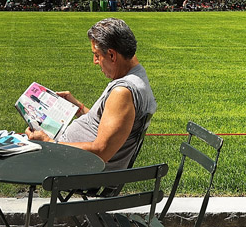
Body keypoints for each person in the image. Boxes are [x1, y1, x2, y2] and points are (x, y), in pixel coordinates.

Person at [25, 18, 156, 170]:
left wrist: (47, 142)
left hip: (76, 167)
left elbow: (101, 152)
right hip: (71, 157)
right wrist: (78, 107)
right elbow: (108, 127)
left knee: (5, 154)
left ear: (112, 55)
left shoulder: (123, 92)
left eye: (97, 55)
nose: (94, 61)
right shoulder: (138, 75)